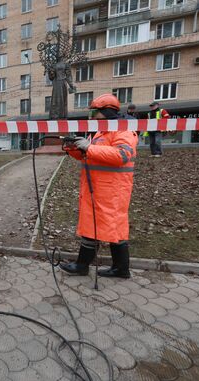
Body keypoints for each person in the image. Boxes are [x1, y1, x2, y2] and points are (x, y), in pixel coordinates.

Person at [60, 94, 138, 278]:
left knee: (107, 228)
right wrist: (73, 148)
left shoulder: (123, 131)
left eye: (95, 112)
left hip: (112, 191)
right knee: (103, 227)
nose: (93, 116)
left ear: (106, 112)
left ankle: (83, 266)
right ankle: (120, 269)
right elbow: (91, 156)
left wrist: (89, 147)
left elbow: (121, 156)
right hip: (98, 189)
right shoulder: (101, 132)